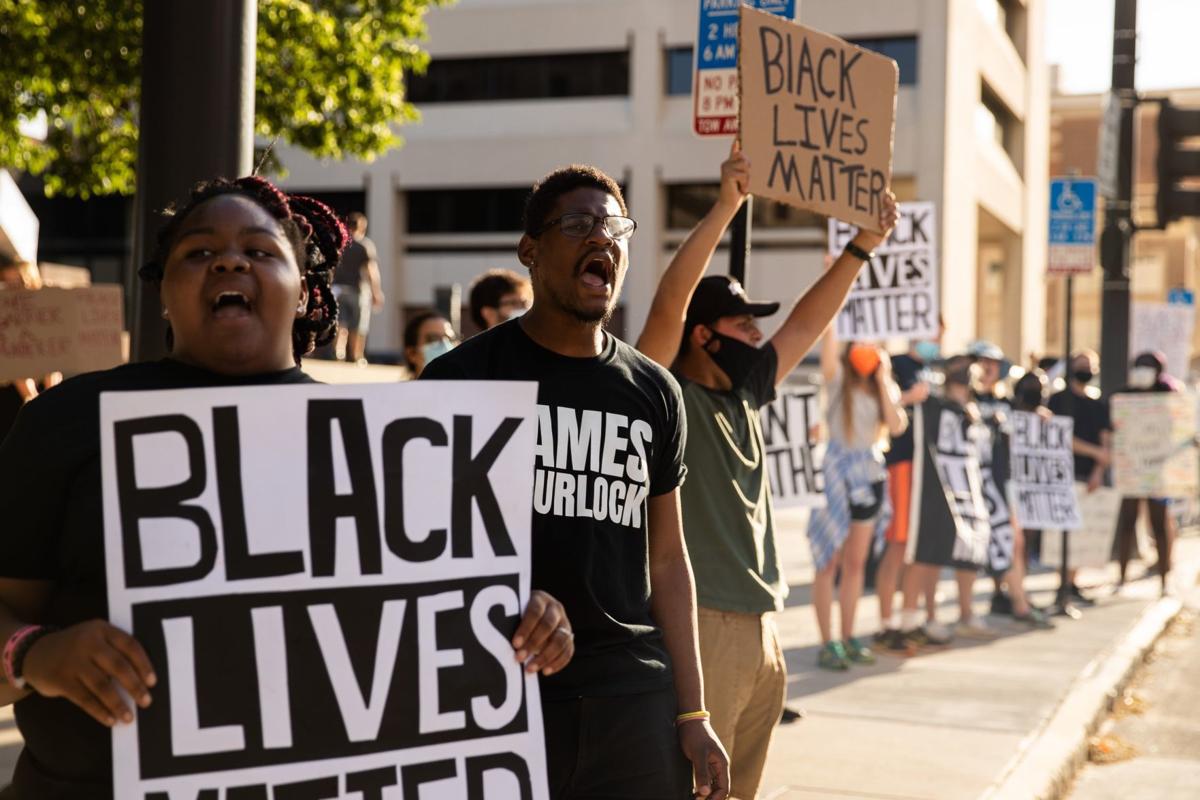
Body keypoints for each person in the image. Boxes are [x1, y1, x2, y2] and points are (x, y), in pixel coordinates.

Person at [0, 176, 572, 799]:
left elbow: (438, 626)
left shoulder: (389, 446)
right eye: (198, 251)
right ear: (164, 290)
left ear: (303, 291)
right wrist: (33, 656)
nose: (229, 259)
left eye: (261, 249)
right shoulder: (69, 420)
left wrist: (526, 620)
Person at [421, 164, 730, 800]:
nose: (602, 239)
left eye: (614, 226)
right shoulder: (462, 380)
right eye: (578, 224)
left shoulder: (654, 391)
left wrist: (693, 712)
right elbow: (422, 554)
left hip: (634, 702)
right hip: (506, 696)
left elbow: (669, 559)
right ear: (530, 251)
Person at [636, 142, 898, 799]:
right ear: (703, 335)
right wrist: (727, 206)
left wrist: (861, 248)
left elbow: (808, 322)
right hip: (705, 624)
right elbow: (669, 307)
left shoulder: (745, 395)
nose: (758, 338)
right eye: (741, 325)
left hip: (761, 627)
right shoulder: (668, 396)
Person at [809, 335, 905, 670]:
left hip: (869, 474)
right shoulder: (838, 381)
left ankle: (849, 637)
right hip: (837, 473)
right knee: (828, 562)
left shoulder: (883, 386)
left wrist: (882, 378)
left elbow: (896, 425)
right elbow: (828, 345)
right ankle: (826, 641)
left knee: (856, 563)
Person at [879, 330, 948, 650]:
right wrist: (907, 398)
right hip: (902, 463)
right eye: (933, 332)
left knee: (917, 546)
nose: (936, 339)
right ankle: (885, 624)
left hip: (928, 468)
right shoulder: (895, 365)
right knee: (898, 543)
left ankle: (909, 620)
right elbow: (881, 411)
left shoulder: (938, 369)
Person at [1047, 349, 1112, 607]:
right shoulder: (1057, 401)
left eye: (1090, 365)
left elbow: (1106, 442)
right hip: (1062, 474)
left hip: (1088, 476)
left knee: (1081, 533)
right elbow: (1059, 436)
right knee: (1060, 533)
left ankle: (1072, 583)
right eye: (1081, 364)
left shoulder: (1097, 404)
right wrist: (1095, 451)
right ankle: (1061, 584)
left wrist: (1099, 469)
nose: (1086, 369)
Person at [1113, 351, 1180, 594]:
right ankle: (1121, 577)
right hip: (1132, 468)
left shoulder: (1169, 394)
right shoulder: (1125, 395)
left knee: (1159, 524)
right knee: (1127, 522)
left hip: (1158, 469)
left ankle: (1164, 580)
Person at [0, 261, 62, 442]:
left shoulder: (47, 320)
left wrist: (48, 396)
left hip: (42, 398)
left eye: (20, 283)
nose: (15, 291)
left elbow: (55, 357)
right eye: (8, 284)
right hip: (9, 401)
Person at [329, 211, 383, 363]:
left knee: (340, 323)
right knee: (357, 325)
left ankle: (338, 353)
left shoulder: (339, 243)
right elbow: (371, 270)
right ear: (362, 227)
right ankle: (356, 356)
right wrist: (376, 292)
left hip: (337, 289)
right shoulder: (364, 245)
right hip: (357, 290)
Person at [468, 268, 532, 332]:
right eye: (513, 303)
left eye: (525, 302)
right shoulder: (477, 342)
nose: (524, 308)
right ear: (489, 314)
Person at [402, 309, 457, 379]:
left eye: (450, 339)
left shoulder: (466, 389)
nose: (445, 344)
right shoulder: (398, 390)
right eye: (434, 339)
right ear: (411, 354)